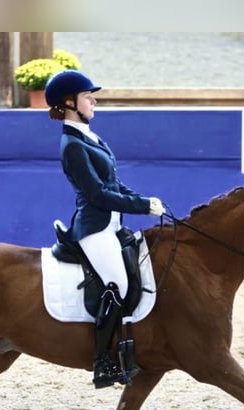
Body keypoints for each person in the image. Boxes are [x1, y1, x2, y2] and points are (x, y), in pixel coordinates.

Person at [44, 69, 166, 389]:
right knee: (118, 284)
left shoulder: (90, 136)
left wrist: (143, 200)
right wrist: (140, 207)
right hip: (95, 228)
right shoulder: (72, 144)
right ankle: (104, 361)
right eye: (87, 96)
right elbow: (97, 194)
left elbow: (114, 184)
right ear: (69, 103)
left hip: (112, 225)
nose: (93, 100)